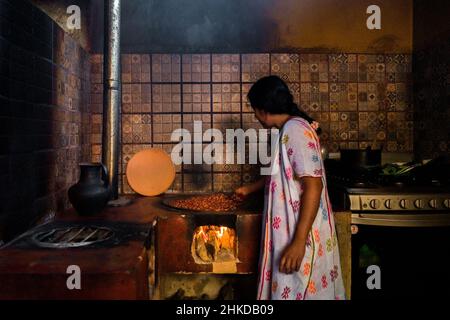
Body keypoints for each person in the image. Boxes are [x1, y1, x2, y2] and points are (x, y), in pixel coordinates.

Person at [235, 75, 345, 300]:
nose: (255, 116)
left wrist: (298, 242)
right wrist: (251, 189)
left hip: (300, 232)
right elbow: (284, 175)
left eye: (254, 110)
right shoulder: (286, 131)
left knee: (301, 289)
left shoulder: (295, 131)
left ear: (263, 109)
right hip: (290, 230)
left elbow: (313, 185)